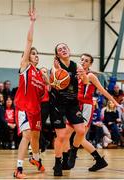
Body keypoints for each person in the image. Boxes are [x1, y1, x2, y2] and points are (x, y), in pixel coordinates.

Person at [63, 53, 122, 172]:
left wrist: (116, 104)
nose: (83, 62)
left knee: (79, 137)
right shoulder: (76, 75)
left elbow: (104, 92)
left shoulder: (90, 76)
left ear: (90, 64)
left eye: (86, 61)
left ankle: (72, 156)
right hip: (75, 107)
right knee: (65, 135)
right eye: (82, 60)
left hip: (86, 107)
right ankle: (98, 160)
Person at [13, 8, 45, 179]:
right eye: (32, 53)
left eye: (37, 54)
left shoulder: (40, 74)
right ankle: (18, 169)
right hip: (24, 107)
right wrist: (32, 22)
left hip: (36, 110)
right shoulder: (25, 67)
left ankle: (36, 158)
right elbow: (28, 40)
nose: (35, 55)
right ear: (26, 57)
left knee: (36, 136)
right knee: (26, 135)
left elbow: (45, 93)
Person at [50, 43, 88, 176]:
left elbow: (86, 82)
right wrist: (58, 74)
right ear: (57, 55)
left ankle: (74, 151)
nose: (63, 50)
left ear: (69, 50)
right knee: (60, 136)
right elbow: (54, 84)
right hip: (58, 104)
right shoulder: (55, 67)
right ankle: (57, 163)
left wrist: (83, 74)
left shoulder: (76, 65)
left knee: (81, 130)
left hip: (72, 103)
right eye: (59, 49)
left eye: (64, 48)